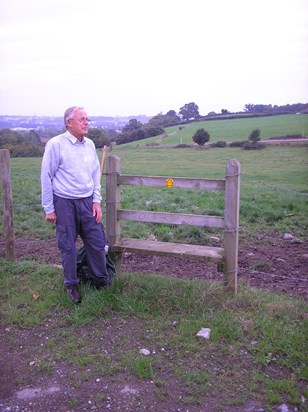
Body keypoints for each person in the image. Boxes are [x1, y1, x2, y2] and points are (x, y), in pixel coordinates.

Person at [41, 106, 110, 304]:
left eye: (87, 119)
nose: (86, 122)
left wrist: (96, 201)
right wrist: (49, 208)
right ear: (68, 122)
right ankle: (72, 285)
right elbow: (46, 176)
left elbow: (95, 176)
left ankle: (100, 280)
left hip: (87, 202)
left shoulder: (89, 145)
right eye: (82, 119)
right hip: (64, 203)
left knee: (97, 243)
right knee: (68, 247)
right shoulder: (56, 144)